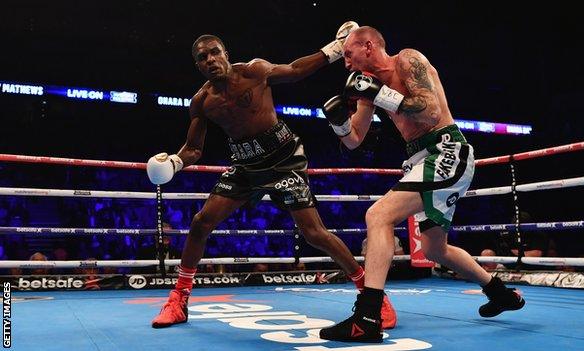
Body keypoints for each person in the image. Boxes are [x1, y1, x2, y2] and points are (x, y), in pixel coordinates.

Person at [146, 23, 396, 329]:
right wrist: (173, 162)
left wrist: (332, 49)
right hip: (245, 166)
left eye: (214, 52)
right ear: (198, 65)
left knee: (313, 233)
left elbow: (293, 70)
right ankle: (179, 299)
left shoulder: (253, 72)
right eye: (202, 57)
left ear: (225, 53)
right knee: (201, 223)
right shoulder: (202, 101)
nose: (210, 59)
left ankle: (373, 298)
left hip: (283, 159)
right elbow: (194, 149)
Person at [319, 26, 525, 343]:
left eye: (348, 54)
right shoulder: (367, 90)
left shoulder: (408, 60)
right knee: (434, 248)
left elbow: (430, 112)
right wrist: (339, 123)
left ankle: (367, 317)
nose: (346, 64)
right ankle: (499, 294)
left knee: (378, 215)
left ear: (369, 46)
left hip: (446, 150)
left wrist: (380, 94)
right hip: (420, 159)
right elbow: (354, 141)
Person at [479, 211, 548, 271]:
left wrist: (511, 251)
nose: (517, 229)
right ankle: (488, 279)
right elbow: (493, 251)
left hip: (531, 266)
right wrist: (503, 249)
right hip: (510, 264)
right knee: (486, 253)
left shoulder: (537, 234)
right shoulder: (509, 233)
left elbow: (536, 254)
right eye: (515, 226)